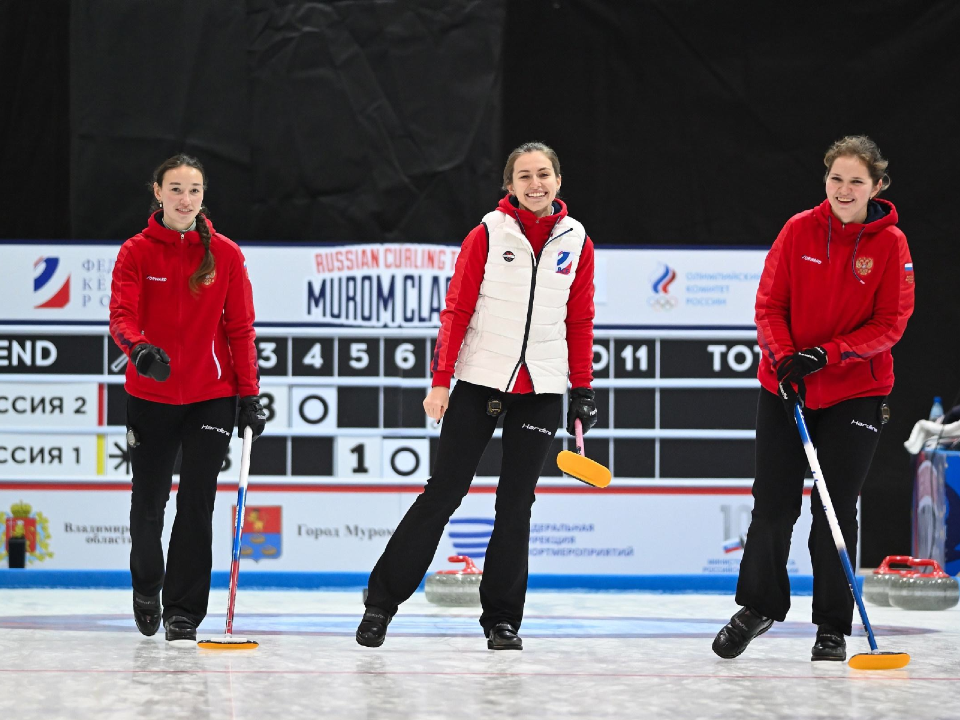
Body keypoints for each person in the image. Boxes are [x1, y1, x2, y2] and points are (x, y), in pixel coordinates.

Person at [356, 142, 597, 650]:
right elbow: (456, 310)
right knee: (443, 493)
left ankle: (502, 621)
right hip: (479, 381)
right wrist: (441, 379)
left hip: (541, 390)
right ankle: (380, 605)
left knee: (516, 505)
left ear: (558, 181)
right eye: (525, 176)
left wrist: (582, 390)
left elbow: (579, 319)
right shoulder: (488, 233)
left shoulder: (577, 241)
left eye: (544, 174)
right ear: (509, 185)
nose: (536, 184)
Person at [713, 136, 915, 662]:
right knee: (773, 505)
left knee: (833, 509)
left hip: (856, 392)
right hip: (786, 387)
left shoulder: (891, 244)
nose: (843, 190)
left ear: (877, 187)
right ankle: (759, 607)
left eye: (856, 181)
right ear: (824, 179)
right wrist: (784, 360)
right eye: (836, 179)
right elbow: (769, 304)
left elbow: (890, 324)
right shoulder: (798, 229)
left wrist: (828, 355)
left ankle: (831, 626)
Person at [109, 154, 266, 642]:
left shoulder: (226, 254)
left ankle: (183, 611)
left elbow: (240, 329)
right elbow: (121, 315)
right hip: (151, 394)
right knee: (149, 503)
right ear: (157, 192)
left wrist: (249, 395)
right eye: (175, 188)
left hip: (210, 396)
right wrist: (138, 350)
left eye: (194, 190)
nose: (185, 199)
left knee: (197, 504)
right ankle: (146, 587)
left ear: (203, 196)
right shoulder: (135, 252)